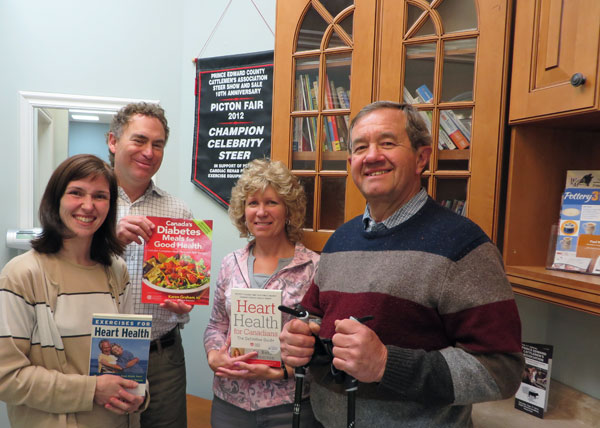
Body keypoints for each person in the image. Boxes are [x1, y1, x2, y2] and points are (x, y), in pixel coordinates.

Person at [279, 101, 525, 428]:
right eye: (361, 147)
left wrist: (386, 364)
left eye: (387, 143)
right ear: (351, 162)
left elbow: (502, 370)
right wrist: (301, 337)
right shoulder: (340, 240)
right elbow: (314, 316)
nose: (372, 156)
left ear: (421, 158)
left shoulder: (464, 245)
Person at [0, 154, 145, 428]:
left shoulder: (116, 270)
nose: (88, 206)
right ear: (56, 200)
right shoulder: (22, 275)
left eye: (100, 196)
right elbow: (6, 377)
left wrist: (140, 393)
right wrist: (91, 391)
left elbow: (130, 352)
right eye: (76, 193)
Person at [204, 159, 321, 427]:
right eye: (253, 203)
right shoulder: (229, 263)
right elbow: (216, 325)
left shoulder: (313, 267)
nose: (261, 212)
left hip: (288, 404)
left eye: (271, 202)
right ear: (242, 211)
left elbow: (322, 339)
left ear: (288, 210)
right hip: (229, 402)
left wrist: (281, 372)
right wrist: (213, 355)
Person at [107, 102, 193, 428]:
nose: (149, 152)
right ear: (113, 141)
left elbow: (185, 293)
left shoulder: (178, 211)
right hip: (101, 351)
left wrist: (185, 303)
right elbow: (62, 264)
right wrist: (108, 239)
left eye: (157, 145)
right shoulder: (89, 202)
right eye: (139, 140)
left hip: (163, 356)